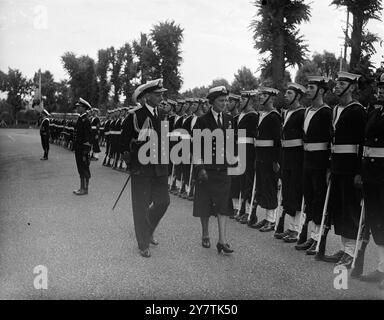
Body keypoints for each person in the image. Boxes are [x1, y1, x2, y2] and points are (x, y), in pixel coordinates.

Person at [120, 79, 170, 258]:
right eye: (157, 95)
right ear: (147, 97)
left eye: (162, 94)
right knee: (140, 206)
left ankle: (147, 229)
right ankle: (143, 243)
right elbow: (124, 142)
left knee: (163, 202)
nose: (161, 97)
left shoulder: (163, 115)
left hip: (160, 168)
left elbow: (165, 141)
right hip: (142, 168)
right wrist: (131, 163)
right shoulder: (135, 116)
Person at [322, 71, 366, 267]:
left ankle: (351, 251)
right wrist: (330, 167)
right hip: (337, 165)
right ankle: (344, 247)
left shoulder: (357, 110)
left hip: (350, 167)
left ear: (352, 87)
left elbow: (362, 143)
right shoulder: (335, 109)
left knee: (350, 208)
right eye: (337, 83)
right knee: (338, 208)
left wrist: (359, 171)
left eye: (342, 84)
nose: (337, 86)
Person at [192, 86, 234, 254]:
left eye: (226, 100)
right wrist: (200, 167)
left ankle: (222, 240)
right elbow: (196, 147)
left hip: (223, 168)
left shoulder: (230, 119)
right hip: (207, 169)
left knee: (223, 204)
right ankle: (205, 234)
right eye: (221, 100)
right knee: (205, 202)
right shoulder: (202, 121)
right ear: (212, 102)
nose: (225, 104)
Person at [295, 76, 332, 255]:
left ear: (321, 91)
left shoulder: (326, 112)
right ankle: (311, 235)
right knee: (309, 197)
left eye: (311, 88)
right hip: (307, 160)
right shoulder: (308, 110)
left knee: (319, 198)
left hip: (320, 162)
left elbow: (331, 140)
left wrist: (328, 167)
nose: (308, 90)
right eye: (308, 87)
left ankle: (318, 238)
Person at [359, 73, 384, 289]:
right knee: (377, 220)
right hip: (372, 174)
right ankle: (382, 267)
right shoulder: (376, 112)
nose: (382, 89)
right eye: (381, 86)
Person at [275, 83, 306, 242]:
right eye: (285, 93)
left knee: (296, 192)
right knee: (288, 192)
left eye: (289, 93)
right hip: (286, 157)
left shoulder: (303, 113)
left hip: (298, 157)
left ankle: (297, 229)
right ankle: (292, 228)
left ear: (298, 96)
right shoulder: (286, 112)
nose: (285, 96)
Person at [252, 87, 282, 232]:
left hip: (270, 158)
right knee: (263, 186)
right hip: (261, 156)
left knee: (270, 187)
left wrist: (276, 160)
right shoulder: (262, 115)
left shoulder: (274, 116)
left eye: (264, 95)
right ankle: (267, 217)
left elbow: (277, 140)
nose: (260, 97)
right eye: (260, 94)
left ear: (271, 98)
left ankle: (271, 219)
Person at [73, 98, 92, 196]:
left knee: (84, 168)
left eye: (79, 106)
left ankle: (84, 189)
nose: (77, 108)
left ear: (84, 108)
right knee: (80, 167)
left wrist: (86, 150)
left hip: (83, 149)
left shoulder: (86, 120)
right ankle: (82, 187)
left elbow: (88, 137)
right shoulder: (81, 119)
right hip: (78, 148)